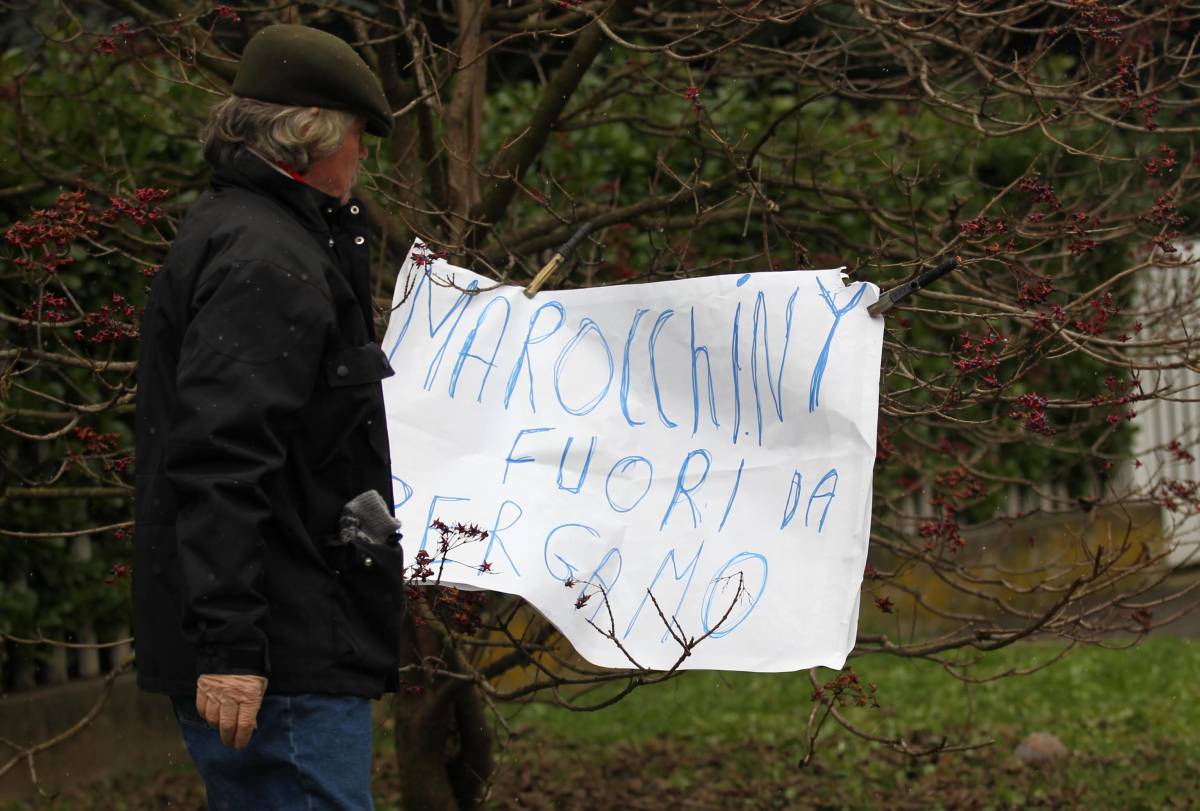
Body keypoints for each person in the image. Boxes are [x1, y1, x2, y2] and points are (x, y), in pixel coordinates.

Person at [133, 24, 404, 810]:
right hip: (281, 653)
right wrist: (231, 647)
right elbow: (220, 459)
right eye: (357, 138)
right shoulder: (265, 258)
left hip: (290, 637)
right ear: (310, 138)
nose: (361, 159)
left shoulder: (260, 234)